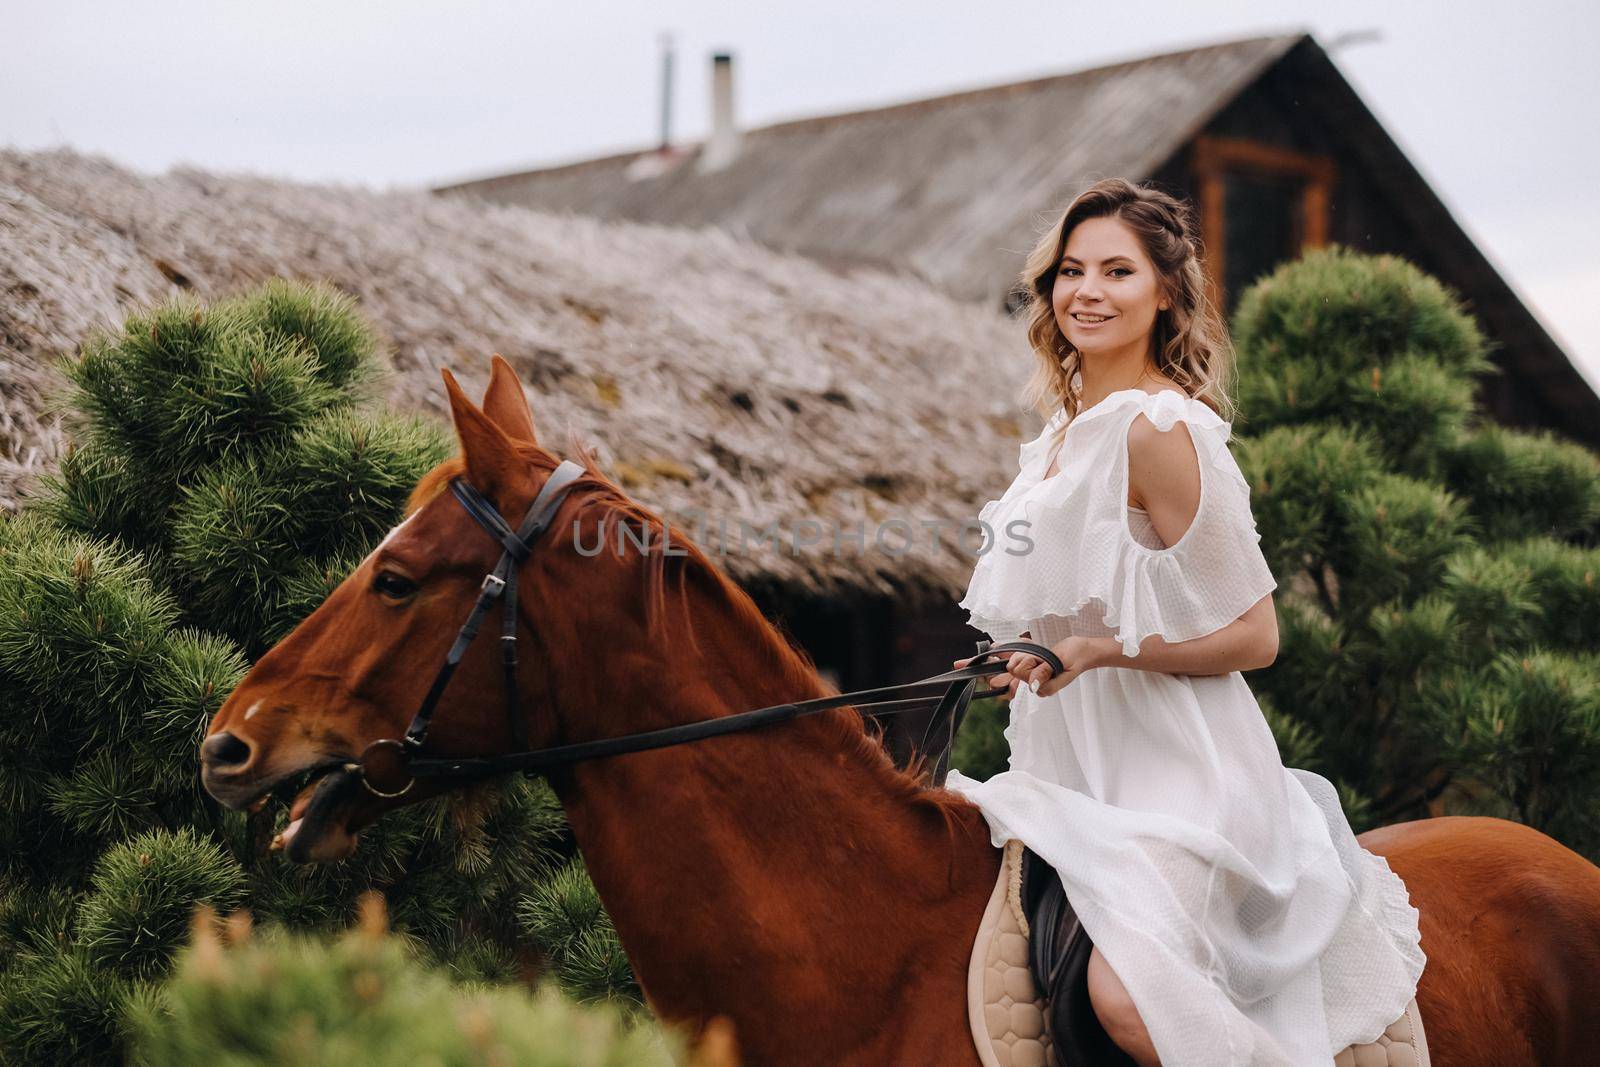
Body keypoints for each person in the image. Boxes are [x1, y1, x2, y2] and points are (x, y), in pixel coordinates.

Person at [944, 179, 1425, 1066]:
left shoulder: (1160, 428)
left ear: (1167, 291)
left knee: (1127, 1001)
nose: (1086, 290)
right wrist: (1035, 649)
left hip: (1180, 783)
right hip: (1069, 772)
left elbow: (1256, 633)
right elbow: (1079, 601)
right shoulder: (1060, 436)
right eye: (1071, 270)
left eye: (1117, 271)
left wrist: (1097, 650)